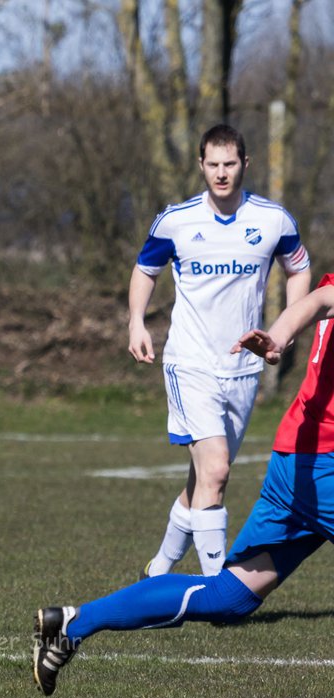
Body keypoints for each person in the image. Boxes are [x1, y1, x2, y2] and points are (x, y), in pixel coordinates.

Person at [35, 273, 334, 697]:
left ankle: (75, 623)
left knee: (228, 599)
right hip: (323, 464)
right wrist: (279, 338)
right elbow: (321, 300)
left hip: (299, 459)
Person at [128, 124, 310, 579]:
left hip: (243, 369)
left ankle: (160, 570)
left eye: (230, 164)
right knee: (218, 470)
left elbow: (299, 270)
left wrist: (282, 333)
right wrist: (136, 321)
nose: (222, 173)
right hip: (190, 363)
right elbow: (145, 269)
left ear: (245, 164)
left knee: (204, 480)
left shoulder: (273, 220)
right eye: (213, 164)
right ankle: (216, 588)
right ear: (201, 165)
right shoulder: (176, 220)